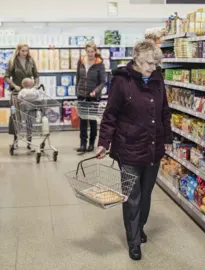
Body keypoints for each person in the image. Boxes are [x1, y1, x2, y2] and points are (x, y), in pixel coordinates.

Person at [96, 39, 172, 261]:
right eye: (149, 63)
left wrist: (167, 138)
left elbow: (164, 112)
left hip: (153, 146)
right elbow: (110, 114)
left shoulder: (158, 80)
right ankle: (134, 240)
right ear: (137, 59)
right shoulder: (121, 81)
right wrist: (104, 142)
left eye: (155, 64)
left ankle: (139, 226)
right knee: (132, 196)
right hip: (128, 147)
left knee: (146, 194)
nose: (152, 67)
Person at [4, 43, 39, 146]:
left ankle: (29, 140)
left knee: (29, 116)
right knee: (16, 117)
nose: (25, 53)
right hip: (17, 94)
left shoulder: (31, 61)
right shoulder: (12, 62)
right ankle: (16, 140)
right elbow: (6, 77)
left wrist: (35, 86)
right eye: (23, 51)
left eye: (26, 51)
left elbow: (36, 75)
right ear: (18, 51)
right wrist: (14, 85)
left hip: (28, 94)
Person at [75, 41, 106, 153]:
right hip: (82, 95)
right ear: (85, 51)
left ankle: (91, 144)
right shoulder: (81, 61)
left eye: (92, 51)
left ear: (95, 51)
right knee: (83, 120)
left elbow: (103, 82)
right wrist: (77, 92)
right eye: (88, 51)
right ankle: (83, 144)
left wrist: (95, 91)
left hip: (93, 96)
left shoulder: (99, 64)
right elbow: (78, 77)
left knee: (92, 121)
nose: (90, 54)